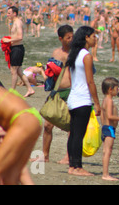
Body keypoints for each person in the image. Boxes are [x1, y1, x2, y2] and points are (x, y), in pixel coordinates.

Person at [31, 25, 73, 164]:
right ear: (60, 38)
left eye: (72, 36)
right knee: (48, 124)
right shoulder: (56, 53)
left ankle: (68, 156)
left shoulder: (76, 53)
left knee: (70, 126)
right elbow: (51, 74)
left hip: (70, 92)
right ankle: (45, 155)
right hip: (56, 92)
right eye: (68, 37)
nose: (71, 39)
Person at [65, 26, 101, 176]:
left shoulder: (74, 54)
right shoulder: (86, 56)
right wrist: (97, 103)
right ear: (86, 37)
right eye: (93, 36)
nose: (95, 39)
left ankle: (72, 166)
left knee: (73, 134)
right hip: (82, 100)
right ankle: (77, 167)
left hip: (73, 98)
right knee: (78, 134)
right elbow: (90, 82)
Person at [100, 77, 119, 181]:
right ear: (110, 89)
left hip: (105, 128)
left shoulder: (105, 100)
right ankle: (105, 174)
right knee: (108, 151)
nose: (118, 91)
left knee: (106, 151)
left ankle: (105, 173)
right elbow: (109, 116)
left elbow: (102, 115)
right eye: (117, 89)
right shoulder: (109, 101)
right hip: (109, 129)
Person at [2, 6, 35, 97]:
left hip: (17, 48)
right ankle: (30, 89)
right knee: (19, 71)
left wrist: (8, 40)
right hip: (15, 48)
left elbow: (20, 37)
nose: (7, 14)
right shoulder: (14, 22)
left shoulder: (18, 22)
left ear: (14, 13)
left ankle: (12, 92)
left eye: (9, 13)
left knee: (14, 71)